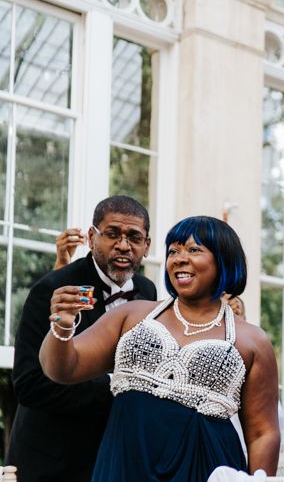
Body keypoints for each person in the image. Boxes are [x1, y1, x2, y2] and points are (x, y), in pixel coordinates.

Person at [39, 215, 280, 480]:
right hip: (127, 463)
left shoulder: (252, 341)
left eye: (194, 249)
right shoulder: (131, 315)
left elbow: (262, 433)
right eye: (173, 251)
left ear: (224, 260)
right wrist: (62, 326)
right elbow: (62, 370)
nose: (179, 258)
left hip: (205, 467)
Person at [7, 195, 157, 482]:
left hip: (116, 459)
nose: (123, 245)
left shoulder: (147, 292)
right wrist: (115, 386)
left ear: (146, 245)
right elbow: (29, 385)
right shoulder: (52, 289)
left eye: (134, 237)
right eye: (112, 234)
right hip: (51, 462)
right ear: (91, 237)